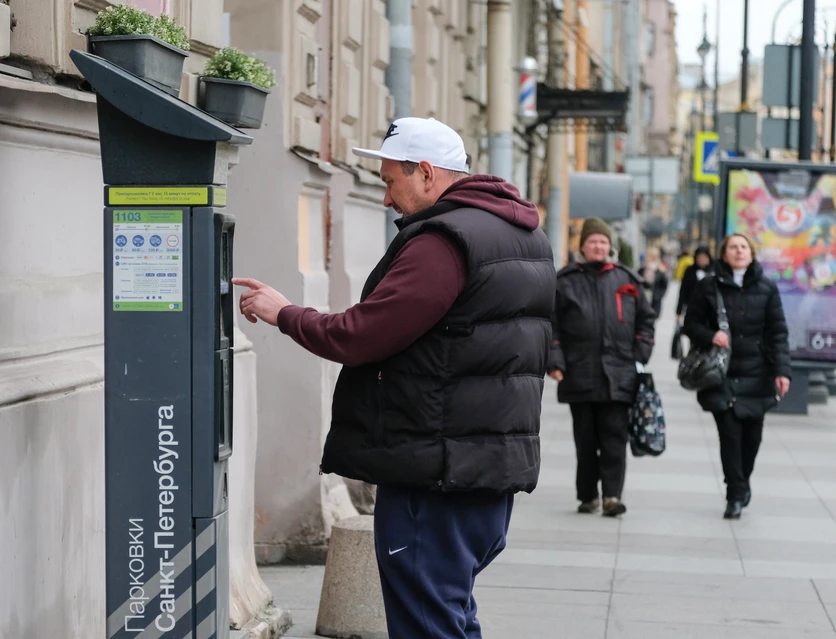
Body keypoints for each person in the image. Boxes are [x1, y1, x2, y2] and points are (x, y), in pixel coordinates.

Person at [233, 117, 555, 639]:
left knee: (428, 623)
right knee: (449, 614)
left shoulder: (444, 241)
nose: (386, 198)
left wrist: (285, 313)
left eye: (389, 181)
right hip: (484, 467)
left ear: (426, 173)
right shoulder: (522, 234)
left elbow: (363, 334)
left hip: (435, 470)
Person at [547, 218, 656, 517]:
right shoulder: (564, 280)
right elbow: (550, 326)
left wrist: (641, 351)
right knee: (585, 439)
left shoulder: (626, 279)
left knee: (614, 437)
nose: (598, 247)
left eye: (603, 242)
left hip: (619, 372)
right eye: (593, 241)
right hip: (579, 372)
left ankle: (611, 496)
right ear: (582, 245)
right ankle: (587, 495)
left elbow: (646, 319)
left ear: (611, 247)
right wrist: (554, 361)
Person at [682, 233, 791, 520]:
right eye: (733, 247)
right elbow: (690, 324)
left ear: (752, 254)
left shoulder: (767, 288)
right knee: (729, 434)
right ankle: (735, 493)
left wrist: (782, 371)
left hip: (758, 373)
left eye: (744, 247)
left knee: (752, 437)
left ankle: (742, 482)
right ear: (724, 254)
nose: (739, 251)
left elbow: (778, 333)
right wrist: (711, 334)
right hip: (721, 375)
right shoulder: (709, 285)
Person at [676, 246, 713, 319]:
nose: (702, 260)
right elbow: (683, 290)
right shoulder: (690, 271)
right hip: (692, 307)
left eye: (704, 258)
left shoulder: (714, 270)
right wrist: (678, 311)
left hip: (710, 309)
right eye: (700, 258)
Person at [640, 246, 670, 317]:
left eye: (648, 255)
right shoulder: (642, 269)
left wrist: (658, 296)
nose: (646, 257)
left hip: (654, 301)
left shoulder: (660, 270)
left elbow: (664, 285)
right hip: (643, 300)